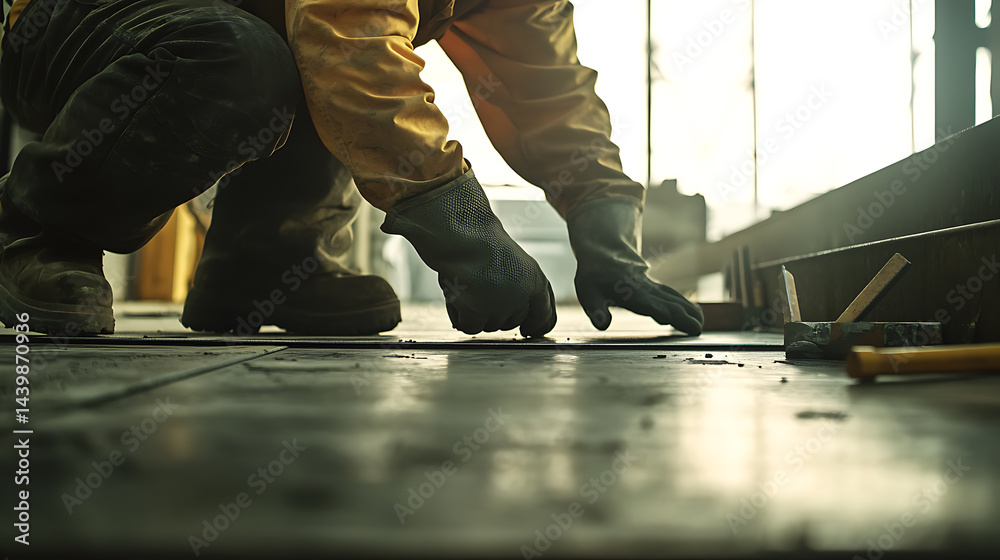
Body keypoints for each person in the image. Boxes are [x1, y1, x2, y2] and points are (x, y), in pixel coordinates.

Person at [0, 0, 703, 339]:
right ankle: (34, 236)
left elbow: (552, 95)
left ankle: (263, 269)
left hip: (218, 28)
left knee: (280, 51)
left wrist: (606, 227)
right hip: (77, 27)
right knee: (249, 57)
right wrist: (472, 239)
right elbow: (353, 51)